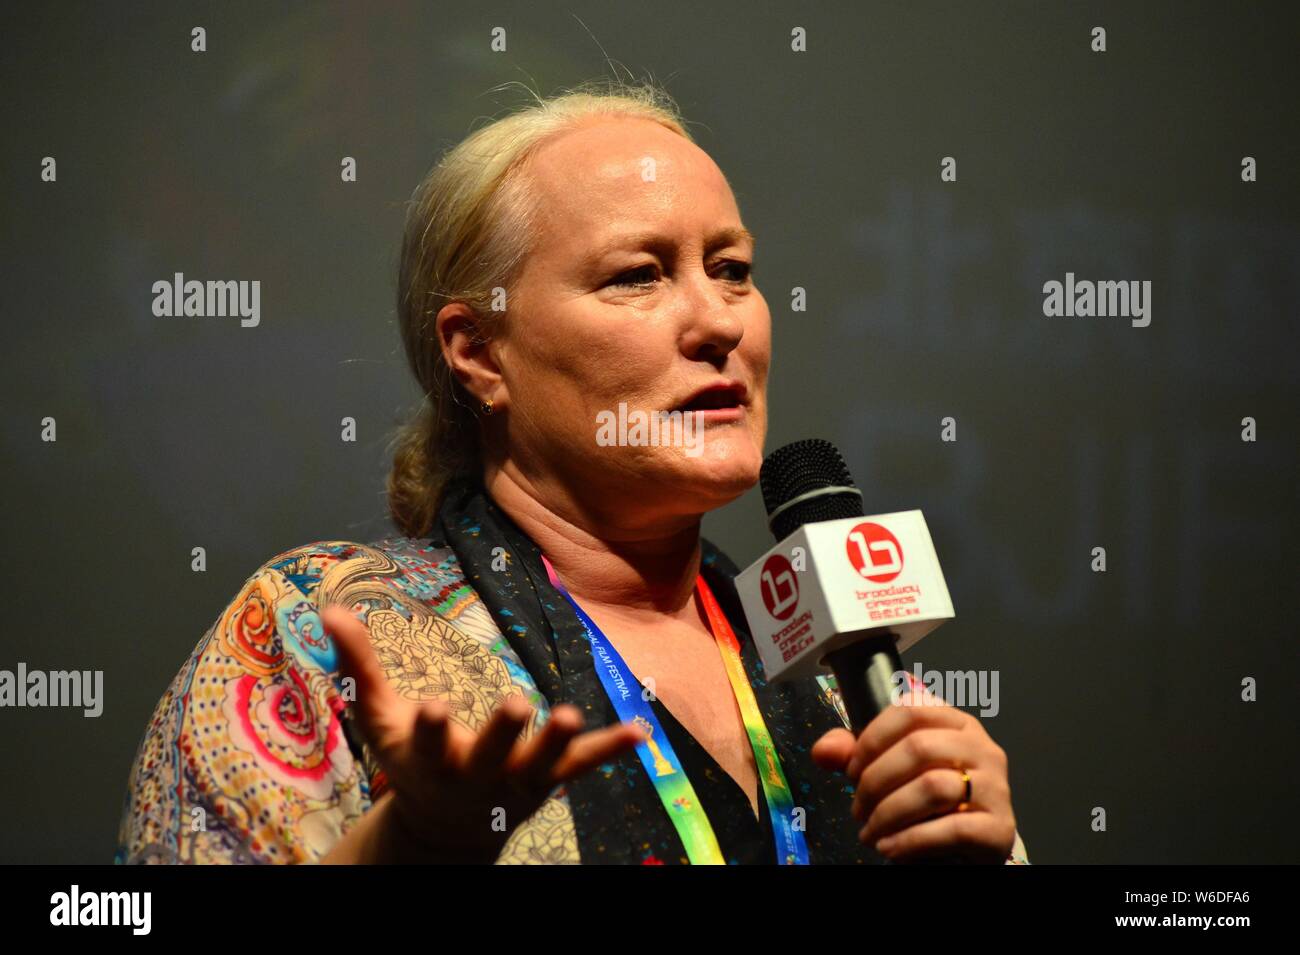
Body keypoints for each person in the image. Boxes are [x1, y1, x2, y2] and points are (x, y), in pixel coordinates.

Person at [116, 79, 1028, 865]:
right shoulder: (318, 631)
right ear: (479, 352)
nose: (720, 322)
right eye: (638, 274)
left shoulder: (846, 679)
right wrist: (417, 846)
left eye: (733, 268)